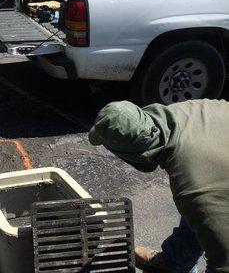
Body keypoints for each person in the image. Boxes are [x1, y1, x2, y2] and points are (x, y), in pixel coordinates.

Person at [88, 99, 229, 272]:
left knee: (203, 215)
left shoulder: (196, 190)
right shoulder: (174, 115)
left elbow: (224, 263)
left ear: (136, 155)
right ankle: (174, 262)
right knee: (198, 216)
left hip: (213, 182)